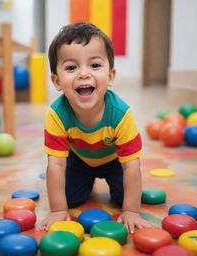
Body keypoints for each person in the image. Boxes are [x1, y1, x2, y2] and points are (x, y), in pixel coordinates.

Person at [41, 22, 149, 233]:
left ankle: (121, 197)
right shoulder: (56, 115)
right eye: (71, 67)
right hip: (79, 160)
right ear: (57, 81)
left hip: (114, 161)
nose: (84, 74)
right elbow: (56, 165)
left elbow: (131, 166)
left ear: (110, 76)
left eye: (95, 65)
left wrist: (132, 210)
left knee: (123, 199)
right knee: (70, 199)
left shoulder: (121, 114)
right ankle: (86, 181)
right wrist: (57, 209)